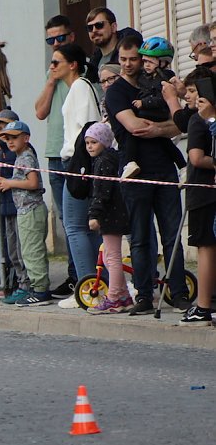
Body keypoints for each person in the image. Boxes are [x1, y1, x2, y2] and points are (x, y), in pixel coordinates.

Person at [105, 36, 190, 315]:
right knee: (140, 236)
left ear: (143, 58)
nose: (128, 65)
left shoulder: (157, 82)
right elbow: (134, 125)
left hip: (164, 167)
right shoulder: (116, 91)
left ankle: (178, 293)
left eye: (133, 59)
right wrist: (160, 126)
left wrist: (160, 128)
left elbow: (179, 124)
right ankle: (143, 294)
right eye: (123, 59)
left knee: (171, 233)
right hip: (134, 171)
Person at [55, 43, 102, 308]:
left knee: (75, 227)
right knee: (86, 226)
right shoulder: (75, 88)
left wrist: (81, 163)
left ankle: (87, 286)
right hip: (75, 160)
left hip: (78, 161)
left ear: (72, 64)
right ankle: (98, 281)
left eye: (56, 61)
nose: (52, 67)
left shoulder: (81, 87)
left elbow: (88, 128)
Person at [0, 121, 51, 306]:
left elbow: (33, 183)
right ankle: (36, 287)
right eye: (7, 138)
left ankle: (40, 291)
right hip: (25, 210)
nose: (10, 141)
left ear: (26, 138)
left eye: (14, 137)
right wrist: (5, 181)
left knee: (32, 252)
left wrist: (9, 183)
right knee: (28, 251)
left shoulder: (26, 156)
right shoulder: (20, 156)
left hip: (31, 210)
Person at [82, 122, 132, 314]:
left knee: (112, 257)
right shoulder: (110, 159)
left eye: (93, 142)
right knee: (113, 256)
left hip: (110, 215)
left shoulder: (103, 162)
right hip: (117, 213)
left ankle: (113, 298)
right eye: (87, 143)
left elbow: (101, 192)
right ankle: (124, 296)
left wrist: (94, 215)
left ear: (104, 142)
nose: (89, 146)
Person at [178, 79, 216, 325]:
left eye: (192, 91)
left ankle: (202, 305)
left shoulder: (199, 120)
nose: (188, 96)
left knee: (205, 247)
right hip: (203, 191)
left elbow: (196, 157)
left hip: (204, 193)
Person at [120, 37, 185, 180]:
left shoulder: (164, 78)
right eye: (144, 61)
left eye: (150, 62)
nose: (146, 65)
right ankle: (182, 166)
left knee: (133, 134)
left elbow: (162, 98)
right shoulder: (147, 76)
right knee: (166, 143)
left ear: (163, 62)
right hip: (149, 112)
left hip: (155, 113)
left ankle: (130, 162)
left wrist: (144, 103)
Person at [0, 109, 30, 304]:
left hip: (22, 206)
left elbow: (31, 181)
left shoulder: (23, 153)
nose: (2, 134)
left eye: (5, 128)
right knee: (12, 249)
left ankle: (27, 285)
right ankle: (18, 283)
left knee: (23, 249)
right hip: (7, 206)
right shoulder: (0, 152)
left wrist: (8, 182)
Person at [84, 6, 142, 90]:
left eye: (99, 25)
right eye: (90, 27)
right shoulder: (94, 64)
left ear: (113, 27)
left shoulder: (130, 56)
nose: (94, 30)